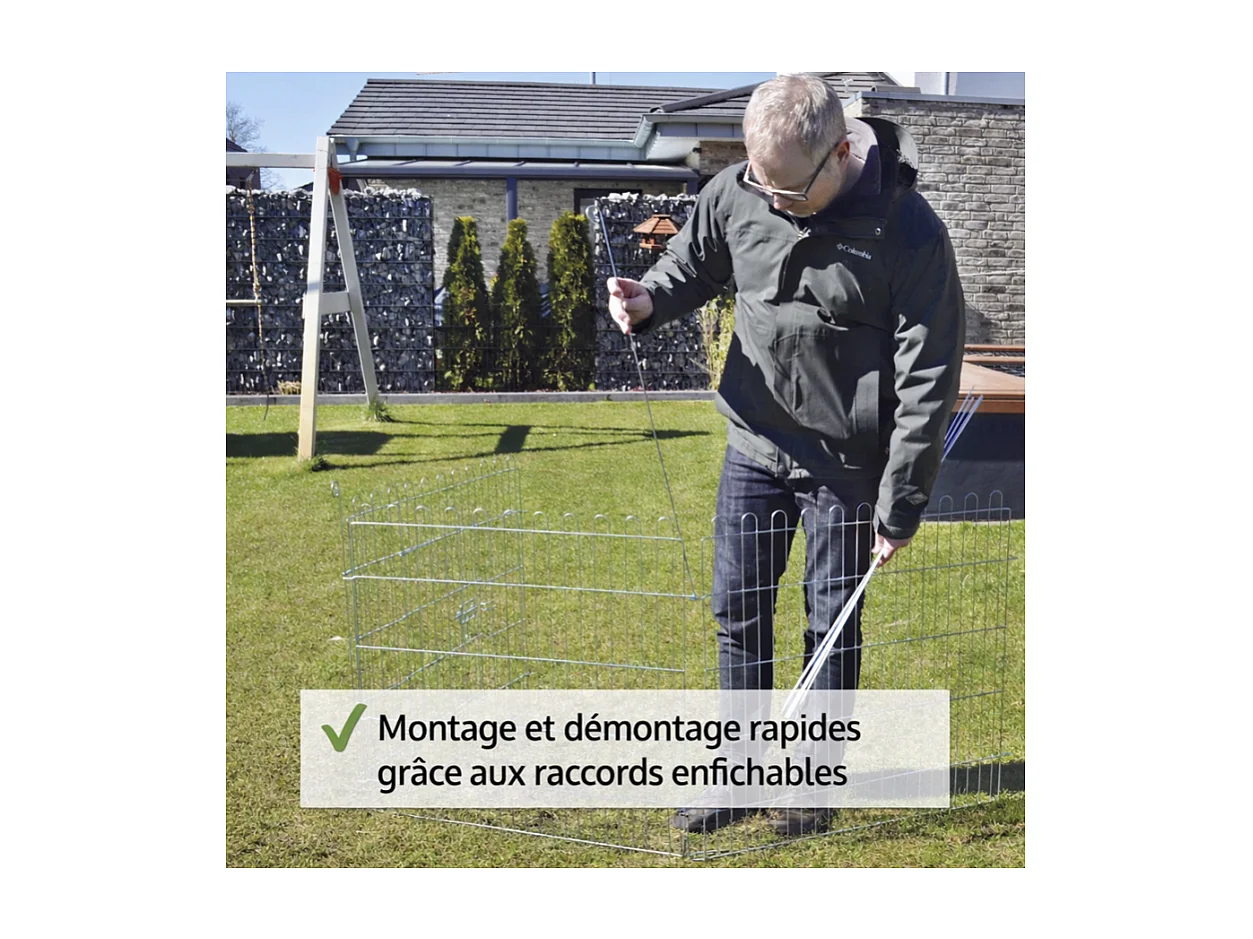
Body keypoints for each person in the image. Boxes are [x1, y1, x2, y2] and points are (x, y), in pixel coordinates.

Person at [607, 74, 965, 836]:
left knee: (830, 621)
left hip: (845, 464)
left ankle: (808, 783)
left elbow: (928, 377)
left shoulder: (909, 233)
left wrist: (900, 503)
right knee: (736, 613)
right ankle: (736, 776)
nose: (768, 201)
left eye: (787, 192)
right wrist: (647, 299)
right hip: (754, 444)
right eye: (757, 182)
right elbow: (695, 263)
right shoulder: (744, 187)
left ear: (839, 153)